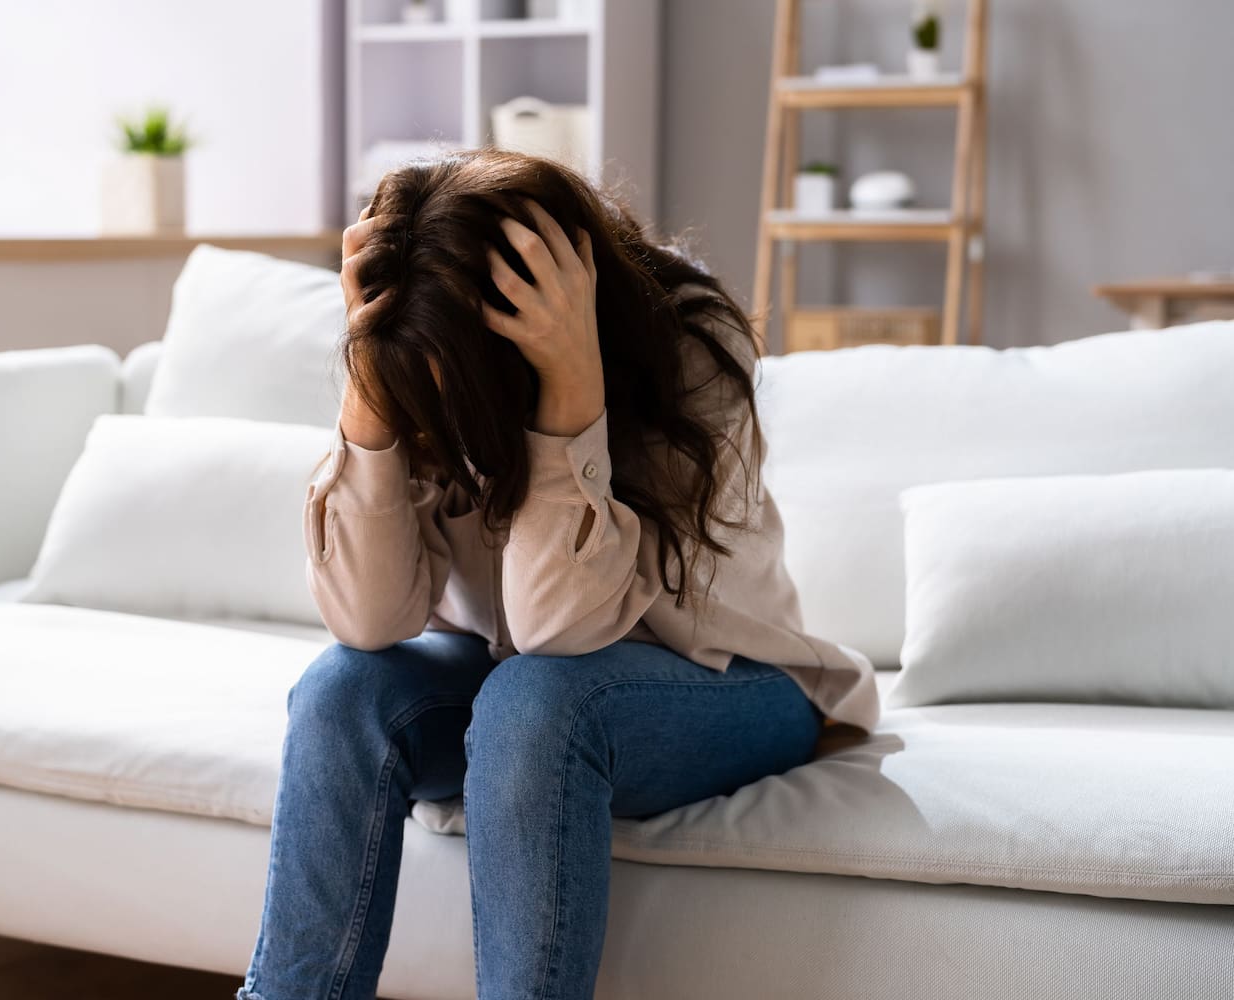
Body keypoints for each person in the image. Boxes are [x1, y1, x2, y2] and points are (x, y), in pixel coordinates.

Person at [235, 147, 879, 1000]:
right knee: (339, 689)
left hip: (734, 683)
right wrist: (371, 382)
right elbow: (369, 621)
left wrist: (570, 390)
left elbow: (555, 633)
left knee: (537, 702)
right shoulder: (418, 343)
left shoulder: (690, 345)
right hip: (521, 685)